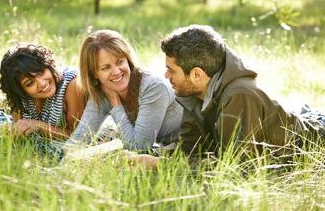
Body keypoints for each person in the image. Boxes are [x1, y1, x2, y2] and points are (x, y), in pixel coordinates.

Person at [127, 24, 325, 169]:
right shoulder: (195, 93)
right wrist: (147, 155)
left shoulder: (239, 96)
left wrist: (160, 166)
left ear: (196, 74)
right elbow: (191, 148)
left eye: (171, 70)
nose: (166, 76)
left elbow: (236, 168)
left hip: (317, 140)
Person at [68, 29, 183, 151]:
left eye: (120, 62)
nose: (116, 72)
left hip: (188, 147)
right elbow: (78, 140)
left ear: (128, 60)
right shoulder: (103, 92)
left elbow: (139, 147)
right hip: (160, 148)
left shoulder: (153, 87)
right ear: (94, 74)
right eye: (106, 67)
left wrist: (116, 106)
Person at [0, 43, 86, 155]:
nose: (41, 83)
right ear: (19, 91)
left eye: (41, 72)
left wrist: (37, 125)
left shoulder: (72, 84)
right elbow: (17, 133)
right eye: (30, 83)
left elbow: (77, 137)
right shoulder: (20, 98)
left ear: (49, 66)